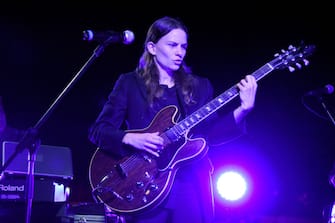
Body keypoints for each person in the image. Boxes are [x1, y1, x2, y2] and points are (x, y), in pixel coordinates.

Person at [88, 16, 258, 223]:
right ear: (152, 47)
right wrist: (130, 138)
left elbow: (210, 136)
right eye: (172, 45)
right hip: (143, 183)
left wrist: (243, 109)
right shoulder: (129, 83)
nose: (179, 52)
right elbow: (98, 131)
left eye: (183, 47)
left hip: (191, 185)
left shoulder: (200, 86)